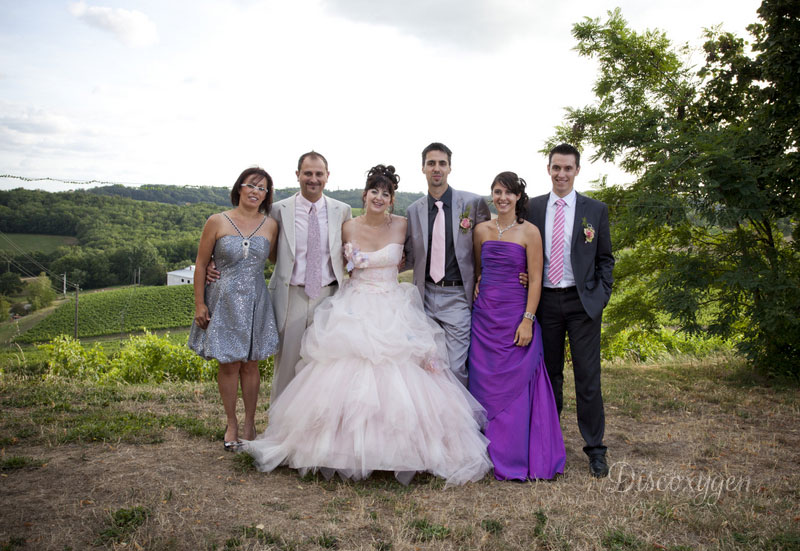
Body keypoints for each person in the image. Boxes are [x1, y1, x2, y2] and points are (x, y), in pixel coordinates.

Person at [241, 165, 492, 486]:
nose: (379, 197)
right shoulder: (346, 227)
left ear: (392, 199)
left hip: (393, 305)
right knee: (346, 377)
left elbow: (425, 253)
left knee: (402, 378)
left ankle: (404, 450)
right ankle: (336, 448)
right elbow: (322, 257)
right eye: (374, 191)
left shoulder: (403, 225)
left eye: (385, 193)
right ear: (364, 195)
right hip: (354, 305)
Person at [207, 152, 352, 402]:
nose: (313, 179)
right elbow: (254, 241)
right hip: (290, 295)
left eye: (319, 174)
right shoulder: (277, 210)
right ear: (298, 175)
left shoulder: (343, 210)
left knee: (326, 367)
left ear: (328, 176)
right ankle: (279, 430)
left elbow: (350, 249)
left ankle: (315, 428)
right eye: (307, 173)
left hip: (330, 296)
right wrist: (216, 260)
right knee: (285, 367)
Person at [469, 172, 566, 480]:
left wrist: (528, 319)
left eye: (509, 193)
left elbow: (536, 278)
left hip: (515, 316)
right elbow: (479, 270)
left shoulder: (530, 232)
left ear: (518, 198)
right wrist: (478, 288)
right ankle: (485, 454)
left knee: (516, 386)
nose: (502, 198)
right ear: (492, 195)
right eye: (497, 192)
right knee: (483, 383)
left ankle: (514, 455)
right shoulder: (481, 230)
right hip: (485, 318)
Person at [525, 144, 615, 478]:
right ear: (548, 169)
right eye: (556, 168)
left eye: (568, 168)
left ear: (577, 170)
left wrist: (601, 295)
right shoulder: (532, 208)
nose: (561, 174)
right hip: (545, 302)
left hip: (583, 304)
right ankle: (550, 445)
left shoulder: (595, 210)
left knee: (588, 379)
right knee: (549, 378)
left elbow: (605, 257)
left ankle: (595, 449)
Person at [188, 167, 280, 450]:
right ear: (239, 188)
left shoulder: (271, 225)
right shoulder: (217, 221)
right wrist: (200, 303)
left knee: (251, 365)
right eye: (251, 185)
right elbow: (202, 264)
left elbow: (277, 260)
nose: (256, 191)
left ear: (267, 196)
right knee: (229, 364)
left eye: (262, 188)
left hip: (255, 299)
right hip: (223, 298)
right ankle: (232, 423)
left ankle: (251, 423)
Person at [404, 142, 491, 386]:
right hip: (424, 296)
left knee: (454, 367)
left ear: (450, 168)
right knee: (425, 365)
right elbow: (409, 255)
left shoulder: (473, 204)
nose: (436, 168)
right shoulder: (413, 211)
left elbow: (491, 244)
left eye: (442, 163)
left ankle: (463, 424)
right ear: (423, 168)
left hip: (458, 297)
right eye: (431, 163)